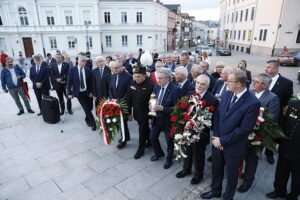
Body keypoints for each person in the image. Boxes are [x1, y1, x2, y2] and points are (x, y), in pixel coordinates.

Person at [201, 69, 260, 200]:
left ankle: (228, 197)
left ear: (238, 84)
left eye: (229, 81)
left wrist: (223, 141)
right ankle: (215, 190)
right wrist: (216, 137)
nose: (226, 83)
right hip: (218, 140)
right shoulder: (228, 94)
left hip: (233, 146)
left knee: (231, 174)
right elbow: (217, 115)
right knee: (216, 168)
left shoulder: (253, 102)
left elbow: (244, 130)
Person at [237, 73, 280, 193]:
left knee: (251, 159)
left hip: (256, 135)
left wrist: (256, 130)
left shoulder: (273, 98)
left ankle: (248, 181)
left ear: (264, 85)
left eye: (256, 81)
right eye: (254, 80)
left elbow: (272, 119)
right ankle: (239, 172)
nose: (252, 83)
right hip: (242, 133)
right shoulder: (249, 92)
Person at [176, 75, 218, 185]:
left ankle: (198, 174)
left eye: (202, 84)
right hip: (187, 129)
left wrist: (199, 126)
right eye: (197, 83)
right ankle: (186, 169)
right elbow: (183, 110)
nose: (199, 85)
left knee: (198, 155)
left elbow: (213, 119)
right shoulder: (190, 94)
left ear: (208, 86)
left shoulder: (212, 100)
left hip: (201, 134)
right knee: (187, 150)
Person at [266, 99, 300, 200]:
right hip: (286, 146)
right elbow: (284, 123)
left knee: (297, 178)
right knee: (281, 172)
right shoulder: (294, 104)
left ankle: (293, 196)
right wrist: (277, 138)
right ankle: (279, 191)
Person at [264, 60, 293, 164]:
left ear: (275, 69)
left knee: (272, 136)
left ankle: (269, 153)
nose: (265, 69)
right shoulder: (263, 78)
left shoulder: (286, 83)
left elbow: (287, 100)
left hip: (275, 115)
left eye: (268, 67)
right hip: (260, 112)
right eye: (266, 67)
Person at [149, 67, 178, 169]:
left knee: (169, 142)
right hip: (157, 118)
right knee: (152, 137)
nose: (158, 80)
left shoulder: (174, 89)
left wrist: (162, 108)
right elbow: (154, 99)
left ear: (167, 78)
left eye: (161, 78)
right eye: (158, 78)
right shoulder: (156, 86)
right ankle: (159, 153)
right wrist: (151, 106)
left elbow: (176, 108)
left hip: (168, 121)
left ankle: (169, 159)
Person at [126, 65, 154, 159]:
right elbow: (128, 100)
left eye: (138, 76)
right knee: (144, 128)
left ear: (144, 76)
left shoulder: (150, 86)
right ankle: (150, 141)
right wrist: (129, 113)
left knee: (141, 131)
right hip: (136, 113)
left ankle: (140, 150)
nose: (136, 78)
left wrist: (151, 117)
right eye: (135, 76)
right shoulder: (132, 84)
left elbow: (153, 103)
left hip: (146, 114)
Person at [67, 55, 96, 131]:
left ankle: (87, 119)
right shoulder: (72, 70)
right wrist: (69, 92)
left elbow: (91, 82)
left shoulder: (88, 70)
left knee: (89, 107)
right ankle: (93, 123)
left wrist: (91, 92)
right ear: (78, 61)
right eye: (81, 61)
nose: (83, 63)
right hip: (79, 93)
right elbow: (69, 82)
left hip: (87, 92)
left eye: (84, 61)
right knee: (86, 108)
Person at [109, 60, 132, 149]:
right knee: (119, 121)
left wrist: (120, 101)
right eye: (113, 68)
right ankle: (125, 136)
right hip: (115, 102)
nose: (115, 69)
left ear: (122, 66)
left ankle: (124, 140)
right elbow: (110, 88)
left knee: (123, 122)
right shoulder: (113, 75)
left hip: (124, 104)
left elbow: (128, 92)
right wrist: (111, 98)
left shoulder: (128, 77)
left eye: (117, 67)